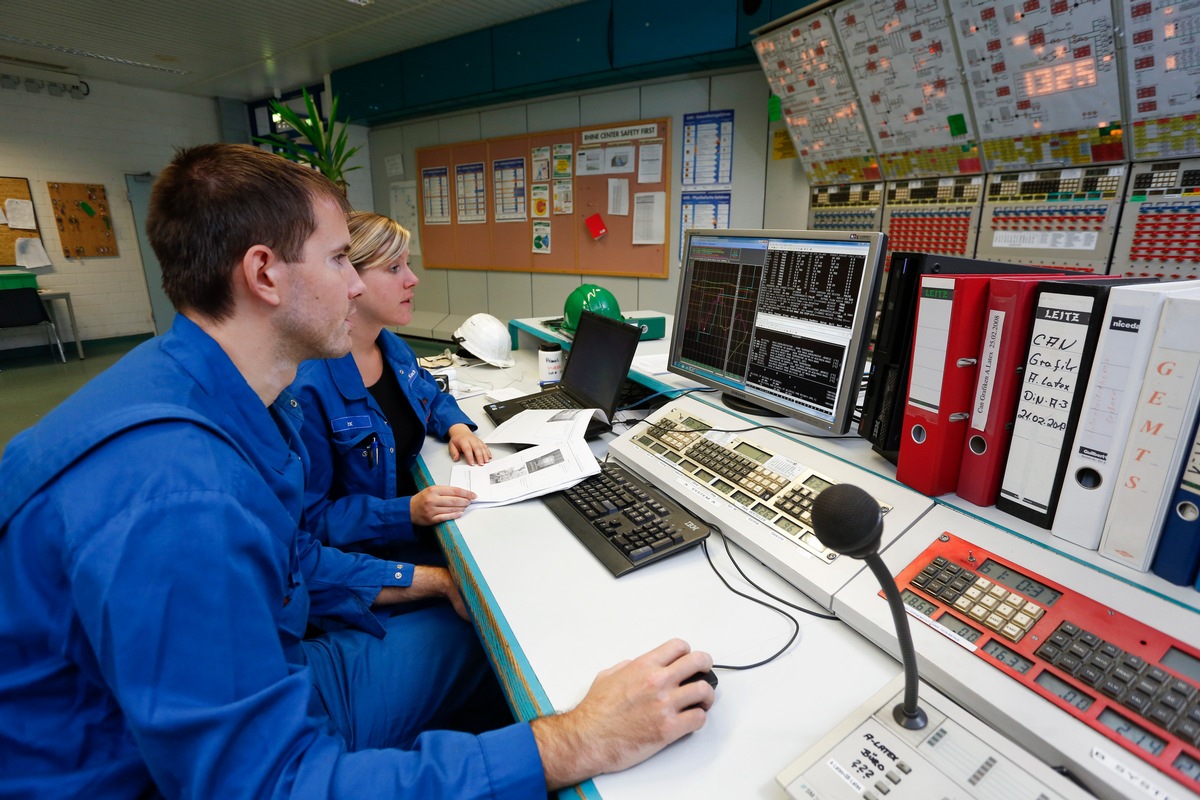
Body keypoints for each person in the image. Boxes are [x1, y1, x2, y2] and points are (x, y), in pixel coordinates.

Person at [0, 143, 714, 798]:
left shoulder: (220, 391)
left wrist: (433, 582)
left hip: (257, 679)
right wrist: (574, 744)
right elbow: (268, 787)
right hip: (142, 773)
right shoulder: (178, 496)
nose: (357, 286)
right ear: (264, 274)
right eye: (342, 259)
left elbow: (294, 560)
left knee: (497, 640)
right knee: (533, 695)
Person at [292, 211, 486, 558]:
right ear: (348, 278)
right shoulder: (308, 388)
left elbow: (428, 392)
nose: (412, 280)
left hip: (414, 528)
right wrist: (407, 512)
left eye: (407, 266)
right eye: (394, 269)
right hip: (372, 557)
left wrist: (457, 427)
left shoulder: (391, 347)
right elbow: (312, 522)